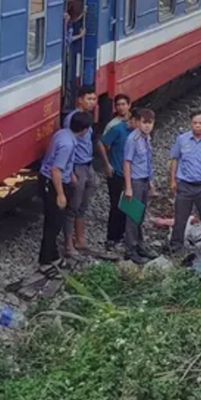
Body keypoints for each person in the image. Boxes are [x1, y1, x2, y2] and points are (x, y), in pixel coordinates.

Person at [38, 111, 93, 276]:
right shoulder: (68, 144)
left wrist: (70, 174)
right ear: (83, 130)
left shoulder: (63, 133)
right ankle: (45, 262)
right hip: (53, 183)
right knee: (53, 224)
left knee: (55, 221)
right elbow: (56, 170)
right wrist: (60, 194)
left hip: (53, 179)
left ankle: (53, 256)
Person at [169, 111, 201, 254]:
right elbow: (174, 160)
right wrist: (172, 180)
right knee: (180, 218)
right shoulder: (181, 140)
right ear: (191, 123)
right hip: (184, 185)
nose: (198, 126)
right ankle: (176, 247)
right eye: (195, 123)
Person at [62, 86, 98, 258]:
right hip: (77, 166)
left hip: (87, 164)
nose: (92, 102)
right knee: (73, 207)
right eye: (89, 99)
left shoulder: (87, 118)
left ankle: (80, 240)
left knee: (83, 204)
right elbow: (69, 146)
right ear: (80, 100)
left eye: (94, 99)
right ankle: (69, 245)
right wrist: (70, 172)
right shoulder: (72, 119)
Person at [123, 108, 159, 264]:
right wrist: (129, 187)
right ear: (137, 122)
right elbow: (127, 163)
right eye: (144, 123)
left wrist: (150, 182)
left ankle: (139, 244)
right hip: (135, 182)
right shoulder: (133, 139)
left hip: (144, 180)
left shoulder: (147, 137)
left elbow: (147, 161)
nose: (147, 126)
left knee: (140, 215)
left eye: (150, 123)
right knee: (132, 216)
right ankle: (130, 250)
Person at [100, 110, 139, 249]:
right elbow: (102, 143)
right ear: (133, 119)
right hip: (117, 173)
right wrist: (107, 164)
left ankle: (126, 236)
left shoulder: (139, 134)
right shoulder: (118, 129)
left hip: (133, 175)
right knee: (116, 206)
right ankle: (112, 238)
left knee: (130, 206)